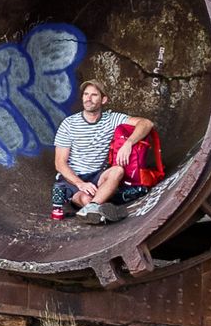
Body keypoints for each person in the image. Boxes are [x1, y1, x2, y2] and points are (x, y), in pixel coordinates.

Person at [51, 81, 156, 221]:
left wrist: (129, 143)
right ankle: (97, 207)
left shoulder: (111, 119)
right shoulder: (69, 124)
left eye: (94, 95)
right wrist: (80, 183)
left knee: (117, 170)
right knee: (85, 197)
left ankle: (93, 207)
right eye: (86, 94)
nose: (88, 98)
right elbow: (60, 163)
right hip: (72, 178)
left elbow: (146, 123)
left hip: (98, 176)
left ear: (103, 99)